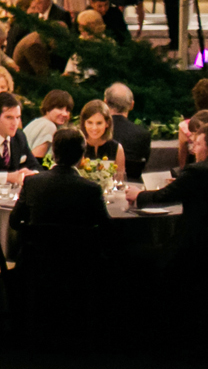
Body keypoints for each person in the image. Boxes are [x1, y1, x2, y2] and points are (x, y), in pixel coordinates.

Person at [126, 117, 208, 290]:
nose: (193, 150)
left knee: (131, 253)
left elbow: (165, 195)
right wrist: (181, 182)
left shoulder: (197, 170)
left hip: (192, 246)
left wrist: (139, 194)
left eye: (198, 144)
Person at [11, 126, 111, 234]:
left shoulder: (32, 183)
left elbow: (14, 221)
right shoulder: (92, 190)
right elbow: (107, 228)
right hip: (78, 249)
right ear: (82, 156)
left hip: (38, 249)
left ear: (53, 153)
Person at [105, 83, 151, 179]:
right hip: (132, 185)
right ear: (132, 105)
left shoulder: (98, 132)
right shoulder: (143, 134)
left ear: (105, 102)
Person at [22, 90, 76, 160]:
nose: (65, 114)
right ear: (48, 107)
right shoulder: (49, 126)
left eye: (67, 110)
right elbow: (36, 161)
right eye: (60, 108)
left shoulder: (36, 122)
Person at [78, 99, 126, 176]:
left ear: (107, 123)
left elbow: (119, 179)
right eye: (90, 122)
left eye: (99, 123)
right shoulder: (76, 146)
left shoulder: (117, 148)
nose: (94, 128)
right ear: (84, 123)